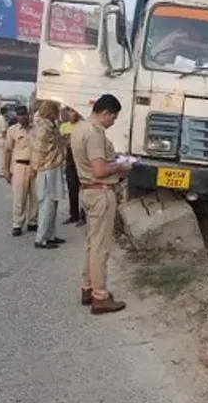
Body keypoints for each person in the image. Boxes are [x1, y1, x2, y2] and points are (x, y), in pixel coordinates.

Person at [71, 94, 133, 314]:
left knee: (91, 244)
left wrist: (113, 161)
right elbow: (99, 170)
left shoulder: (79, 128)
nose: (113, 122)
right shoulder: (95, 134)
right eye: (113, 117)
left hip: (87, 192)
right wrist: (121, 167)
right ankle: (100, 296)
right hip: (101, 192)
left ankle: (88, 288)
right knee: (101, 248)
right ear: (105, 113)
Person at [29, 100, 67, 249]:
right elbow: (38, 153)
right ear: (50, 112)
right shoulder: (44, 129)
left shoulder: (50, 126)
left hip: (53, 167)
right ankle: (41, 238)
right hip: (47, 169)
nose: (58, 113)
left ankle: (50, 235)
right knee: (47, 203)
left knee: (53, 202)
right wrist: (38, 168)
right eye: (56, 110)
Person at [1, 105, 39, 236]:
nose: (23, 117)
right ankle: (17, 224)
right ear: (16, 116)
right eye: (20, 114)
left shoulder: (37, 129)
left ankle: (32, 222)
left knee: (35, 196)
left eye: (25, 114)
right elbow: (7, 150)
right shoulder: (12, 130)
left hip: (35, 166)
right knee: (19, 196)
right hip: (19, 166)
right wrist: (5, 170)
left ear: (29, 114)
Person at [60, 107, 85, 226]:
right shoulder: (64, 127)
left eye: (74, 111)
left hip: (81, 161)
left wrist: (70, 140)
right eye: (69, 111)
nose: (71, 114)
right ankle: (73, 215)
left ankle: (84, 216)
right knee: (72, 190)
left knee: (84, 190)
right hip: (70, 161)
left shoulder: (83, 126)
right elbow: (62, 142)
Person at [0, 107, 9, 174]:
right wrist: (7, 139)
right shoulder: (2, 119)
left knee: (1, 156)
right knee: (3, 156)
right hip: (3, 139)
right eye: (7, 112)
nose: (8, 113)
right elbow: (4, 131)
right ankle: (3, 171)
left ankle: (2, 170)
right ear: (5, 112)